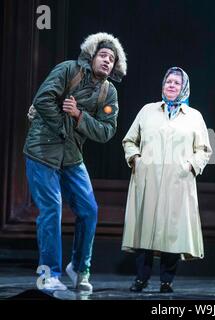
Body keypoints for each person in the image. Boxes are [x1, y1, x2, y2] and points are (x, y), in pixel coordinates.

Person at [23, 32, 127, 292]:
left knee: (89, 209)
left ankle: (79, 268)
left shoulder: (108, 92)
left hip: (71, 156)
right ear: (92, 55)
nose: (106, 61)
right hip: (41, 151)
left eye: (112, 59)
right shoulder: (69, 70)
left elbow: (106, 131)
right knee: (51, 210)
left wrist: (79, 115)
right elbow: (43, 99)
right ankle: (48, 275)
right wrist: (63, 125)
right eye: (103, 55)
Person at [121, 66, 212, 293]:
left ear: (184, 88)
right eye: (168, 81)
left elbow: (204, 150)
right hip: (148, 179)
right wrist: (136, 160)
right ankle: (141, 278)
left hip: (178, 181)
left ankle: (166, 280)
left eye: (176, 83)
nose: (171, 85)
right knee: (145, 228)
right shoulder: (147, 111)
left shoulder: (194, 116)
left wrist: (190, 166)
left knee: (172, 232)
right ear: (163, 85)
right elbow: (129, 140)